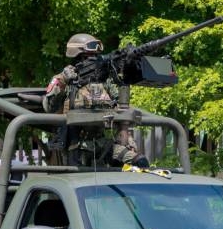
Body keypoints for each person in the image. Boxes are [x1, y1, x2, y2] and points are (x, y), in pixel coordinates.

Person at [44, 33, 148, 168]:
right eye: (88, 57)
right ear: (77, 57)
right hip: (74, 146)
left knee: (140, 162)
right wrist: (64, 81)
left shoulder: (104, 83)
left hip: (102, 144)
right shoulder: (66, 78)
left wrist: (128, 138)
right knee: (80, 179)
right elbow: (49, 107)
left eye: (96, 57)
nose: (94, 60)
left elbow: (121, 109)